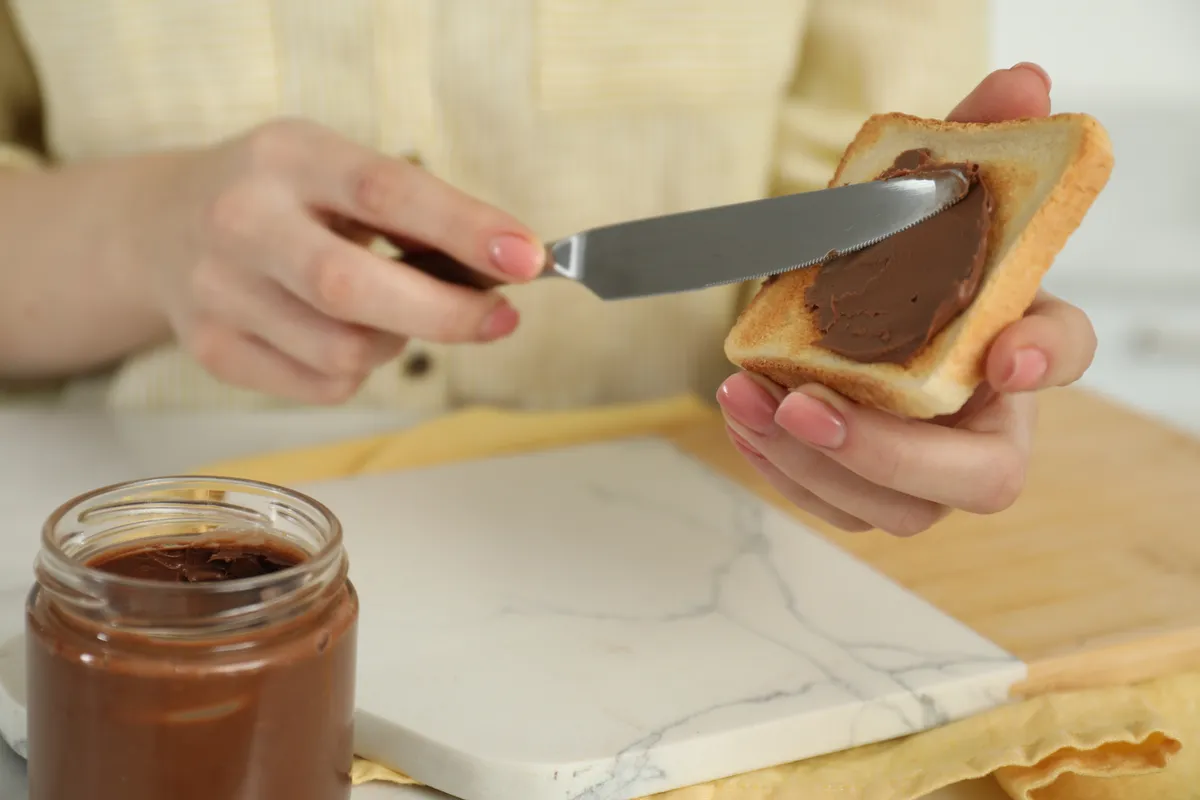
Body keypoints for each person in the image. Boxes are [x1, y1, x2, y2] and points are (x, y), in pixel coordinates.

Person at [0, 1, 1095, 536]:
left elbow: (839, 224)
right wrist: (142, 231)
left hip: (663, 569)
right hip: (128, 549)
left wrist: (909, 378)